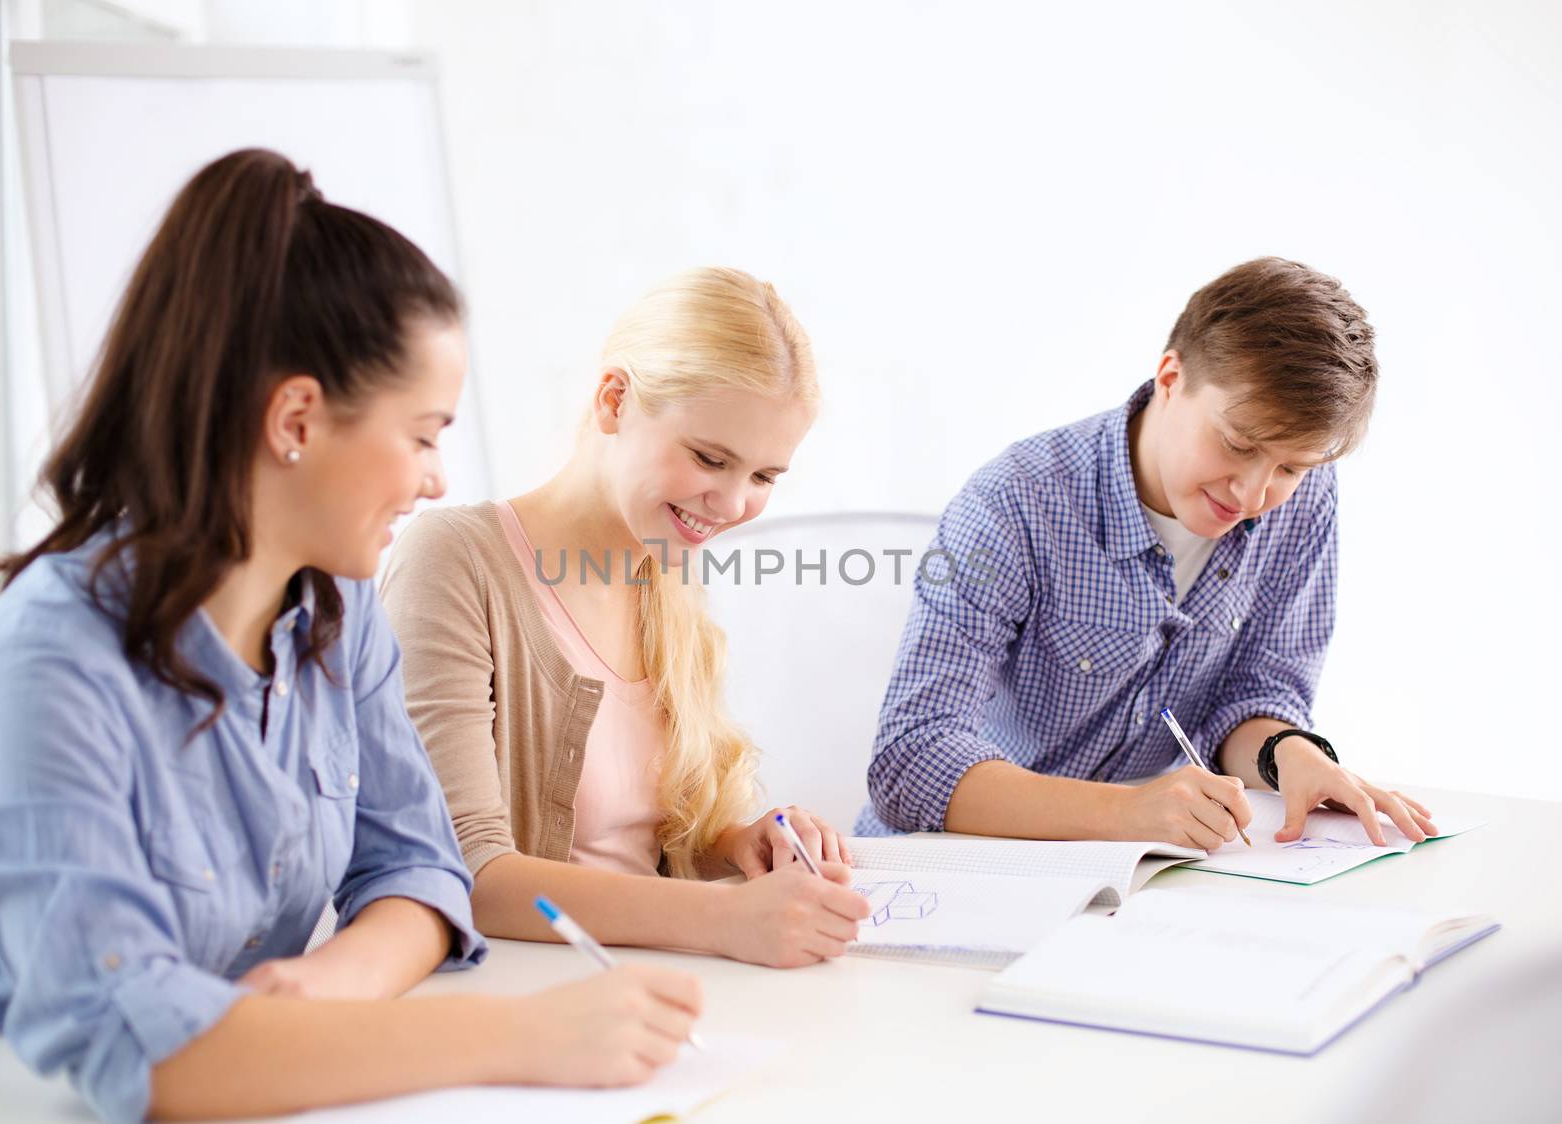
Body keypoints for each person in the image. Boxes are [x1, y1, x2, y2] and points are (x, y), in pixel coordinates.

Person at [0, 149, 699, 1123]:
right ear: (297, 418)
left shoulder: (336, 621)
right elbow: (133, 1042)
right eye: (424, 433)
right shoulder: (46, 665)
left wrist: (324, 991)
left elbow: (418, 869)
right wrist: (524, 1035)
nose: (438, 478)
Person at [859, 257, 1438, 852]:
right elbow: (911, 758)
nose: (1253, 494)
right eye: (1238, 443)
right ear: (1170, 379)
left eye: (1289, 467)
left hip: (1144, 871)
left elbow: (1251, 693)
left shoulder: (1304, 500)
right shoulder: (1014, 502)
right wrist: (1130, 812)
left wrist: (1286, 752)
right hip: (952, 867)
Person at [380, 267, 871, 968]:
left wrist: (732, 845)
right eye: (710, 457)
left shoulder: (665, 567)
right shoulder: (454, 560)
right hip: (519, 1000)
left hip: (650, 986)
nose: (731, 506)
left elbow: (631, 847)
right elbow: (465, 873)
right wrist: (725, 915)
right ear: (614, 400)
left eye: (763, 477)